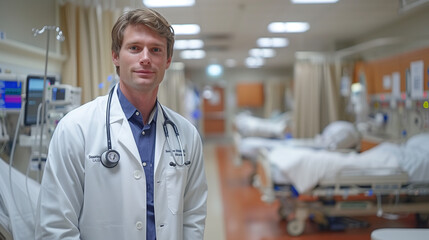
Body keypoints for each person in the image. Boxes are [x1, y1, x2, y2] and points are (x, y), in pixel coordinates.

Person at [35, 8, 208, 240]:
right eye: (134, 48)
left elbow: (193, 214)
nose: (145, 58)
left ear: (167, 60)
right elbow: (55, 227)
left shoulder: (186, 134)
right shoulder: (75, 129)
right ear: (116, 56)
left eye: (155, 49)